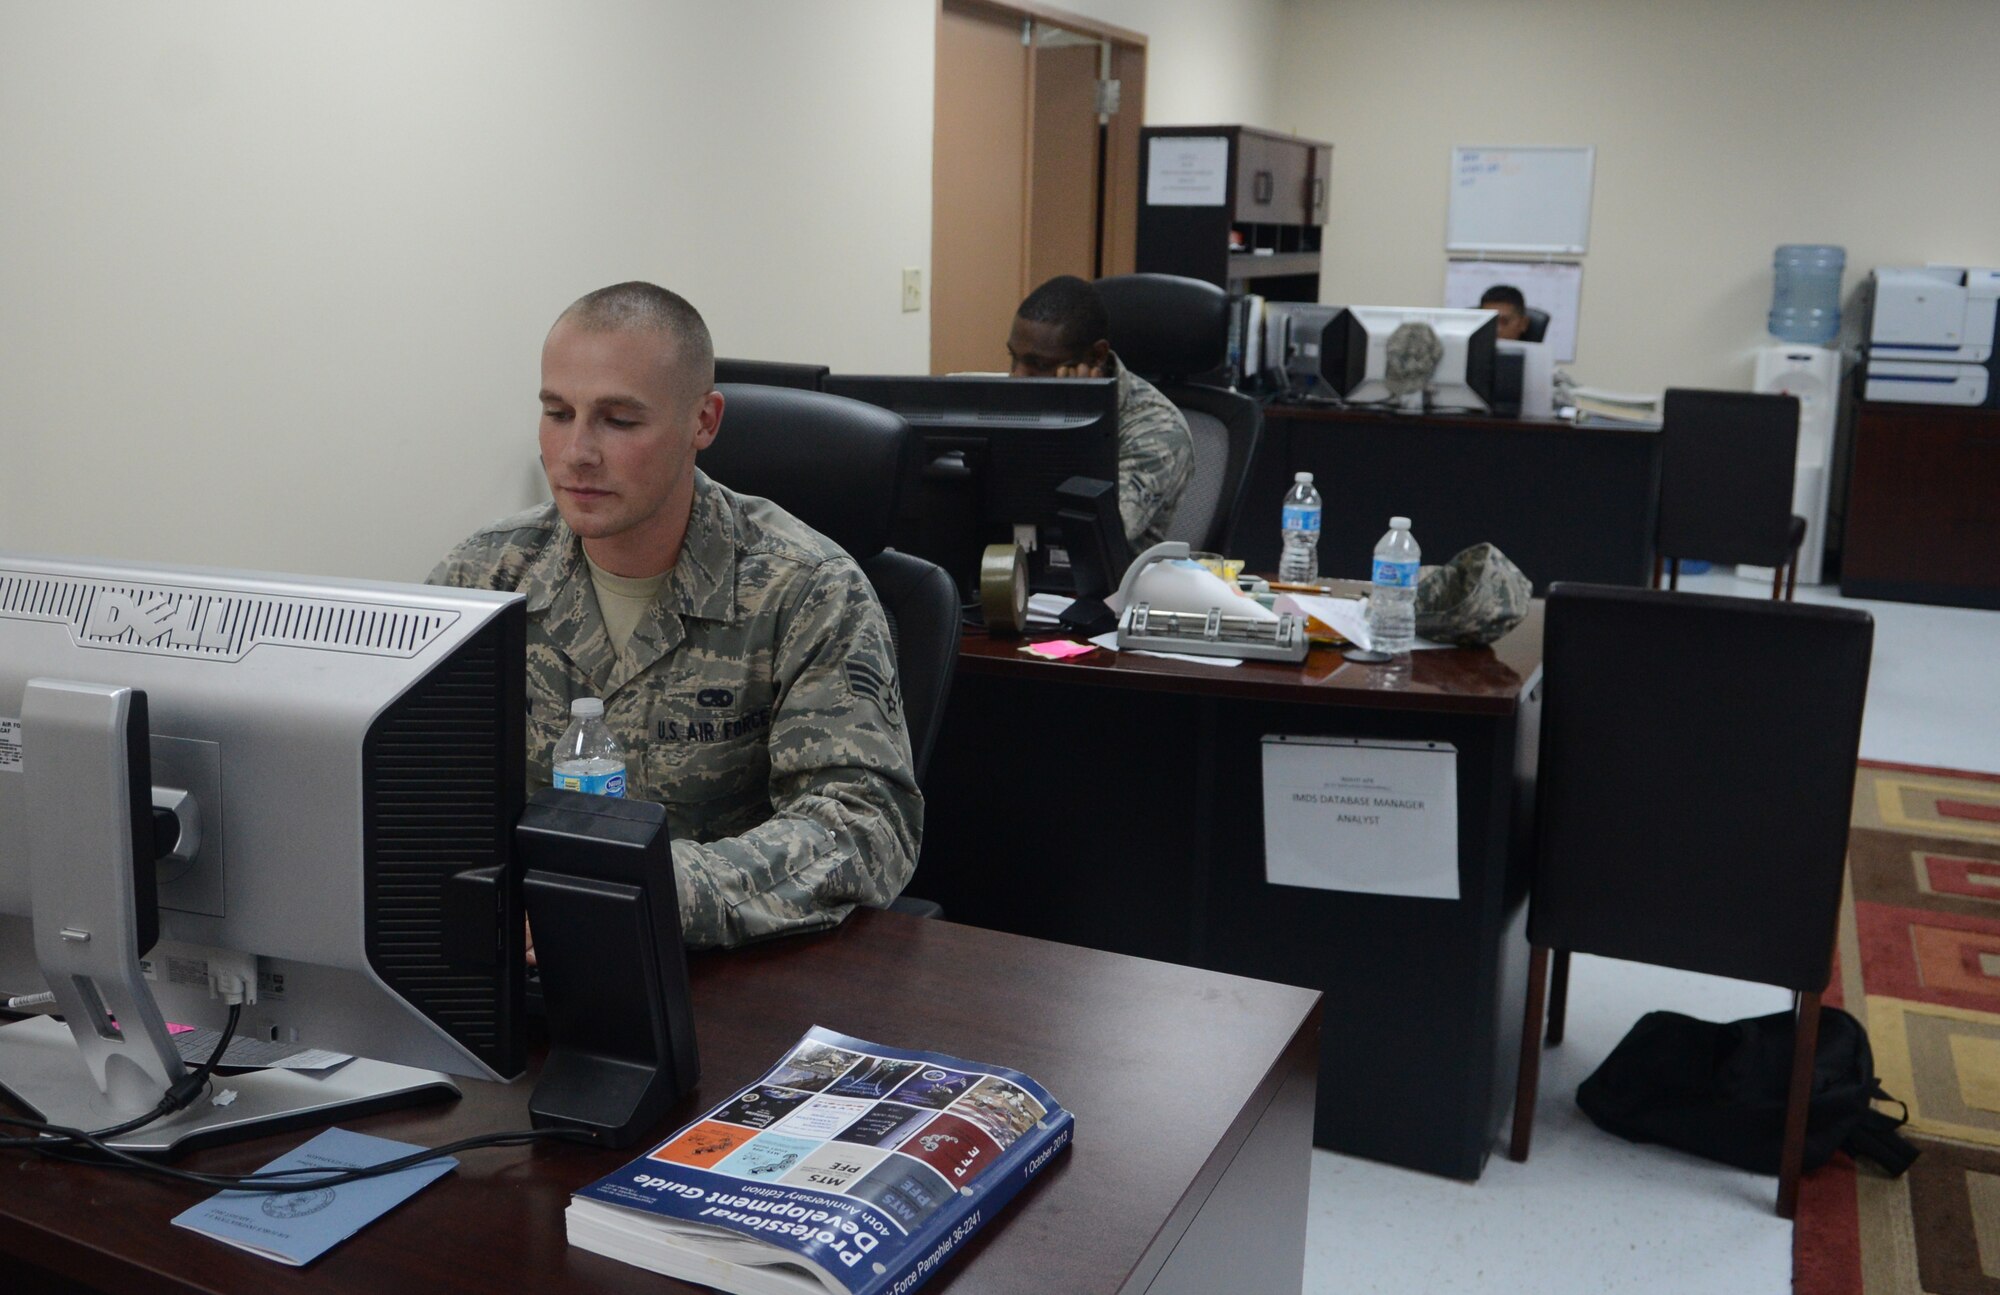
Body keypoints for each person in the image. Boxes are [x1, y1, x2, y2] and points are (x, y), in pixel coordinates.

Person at [429, 282, 922, 950]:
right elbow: (414, 785)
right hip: (523, 965)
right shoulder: (483, 579)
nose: (576, 452)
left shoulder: (805, 590)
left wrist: (660, 891)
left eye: (619, 420)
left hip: (730, 976)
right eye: (556, 412)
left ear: (704, 422)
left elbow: (866, 824)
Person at [1005, 275, 1194, 548]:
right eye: (1014, 358)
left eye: (1037, 364)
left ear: (1095, 356)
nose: (1017, 377)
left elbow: (1093, 534)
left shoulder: (1159, 430)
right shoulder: (1018, 399)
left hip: (1111, 586)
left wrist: (1071, 422)